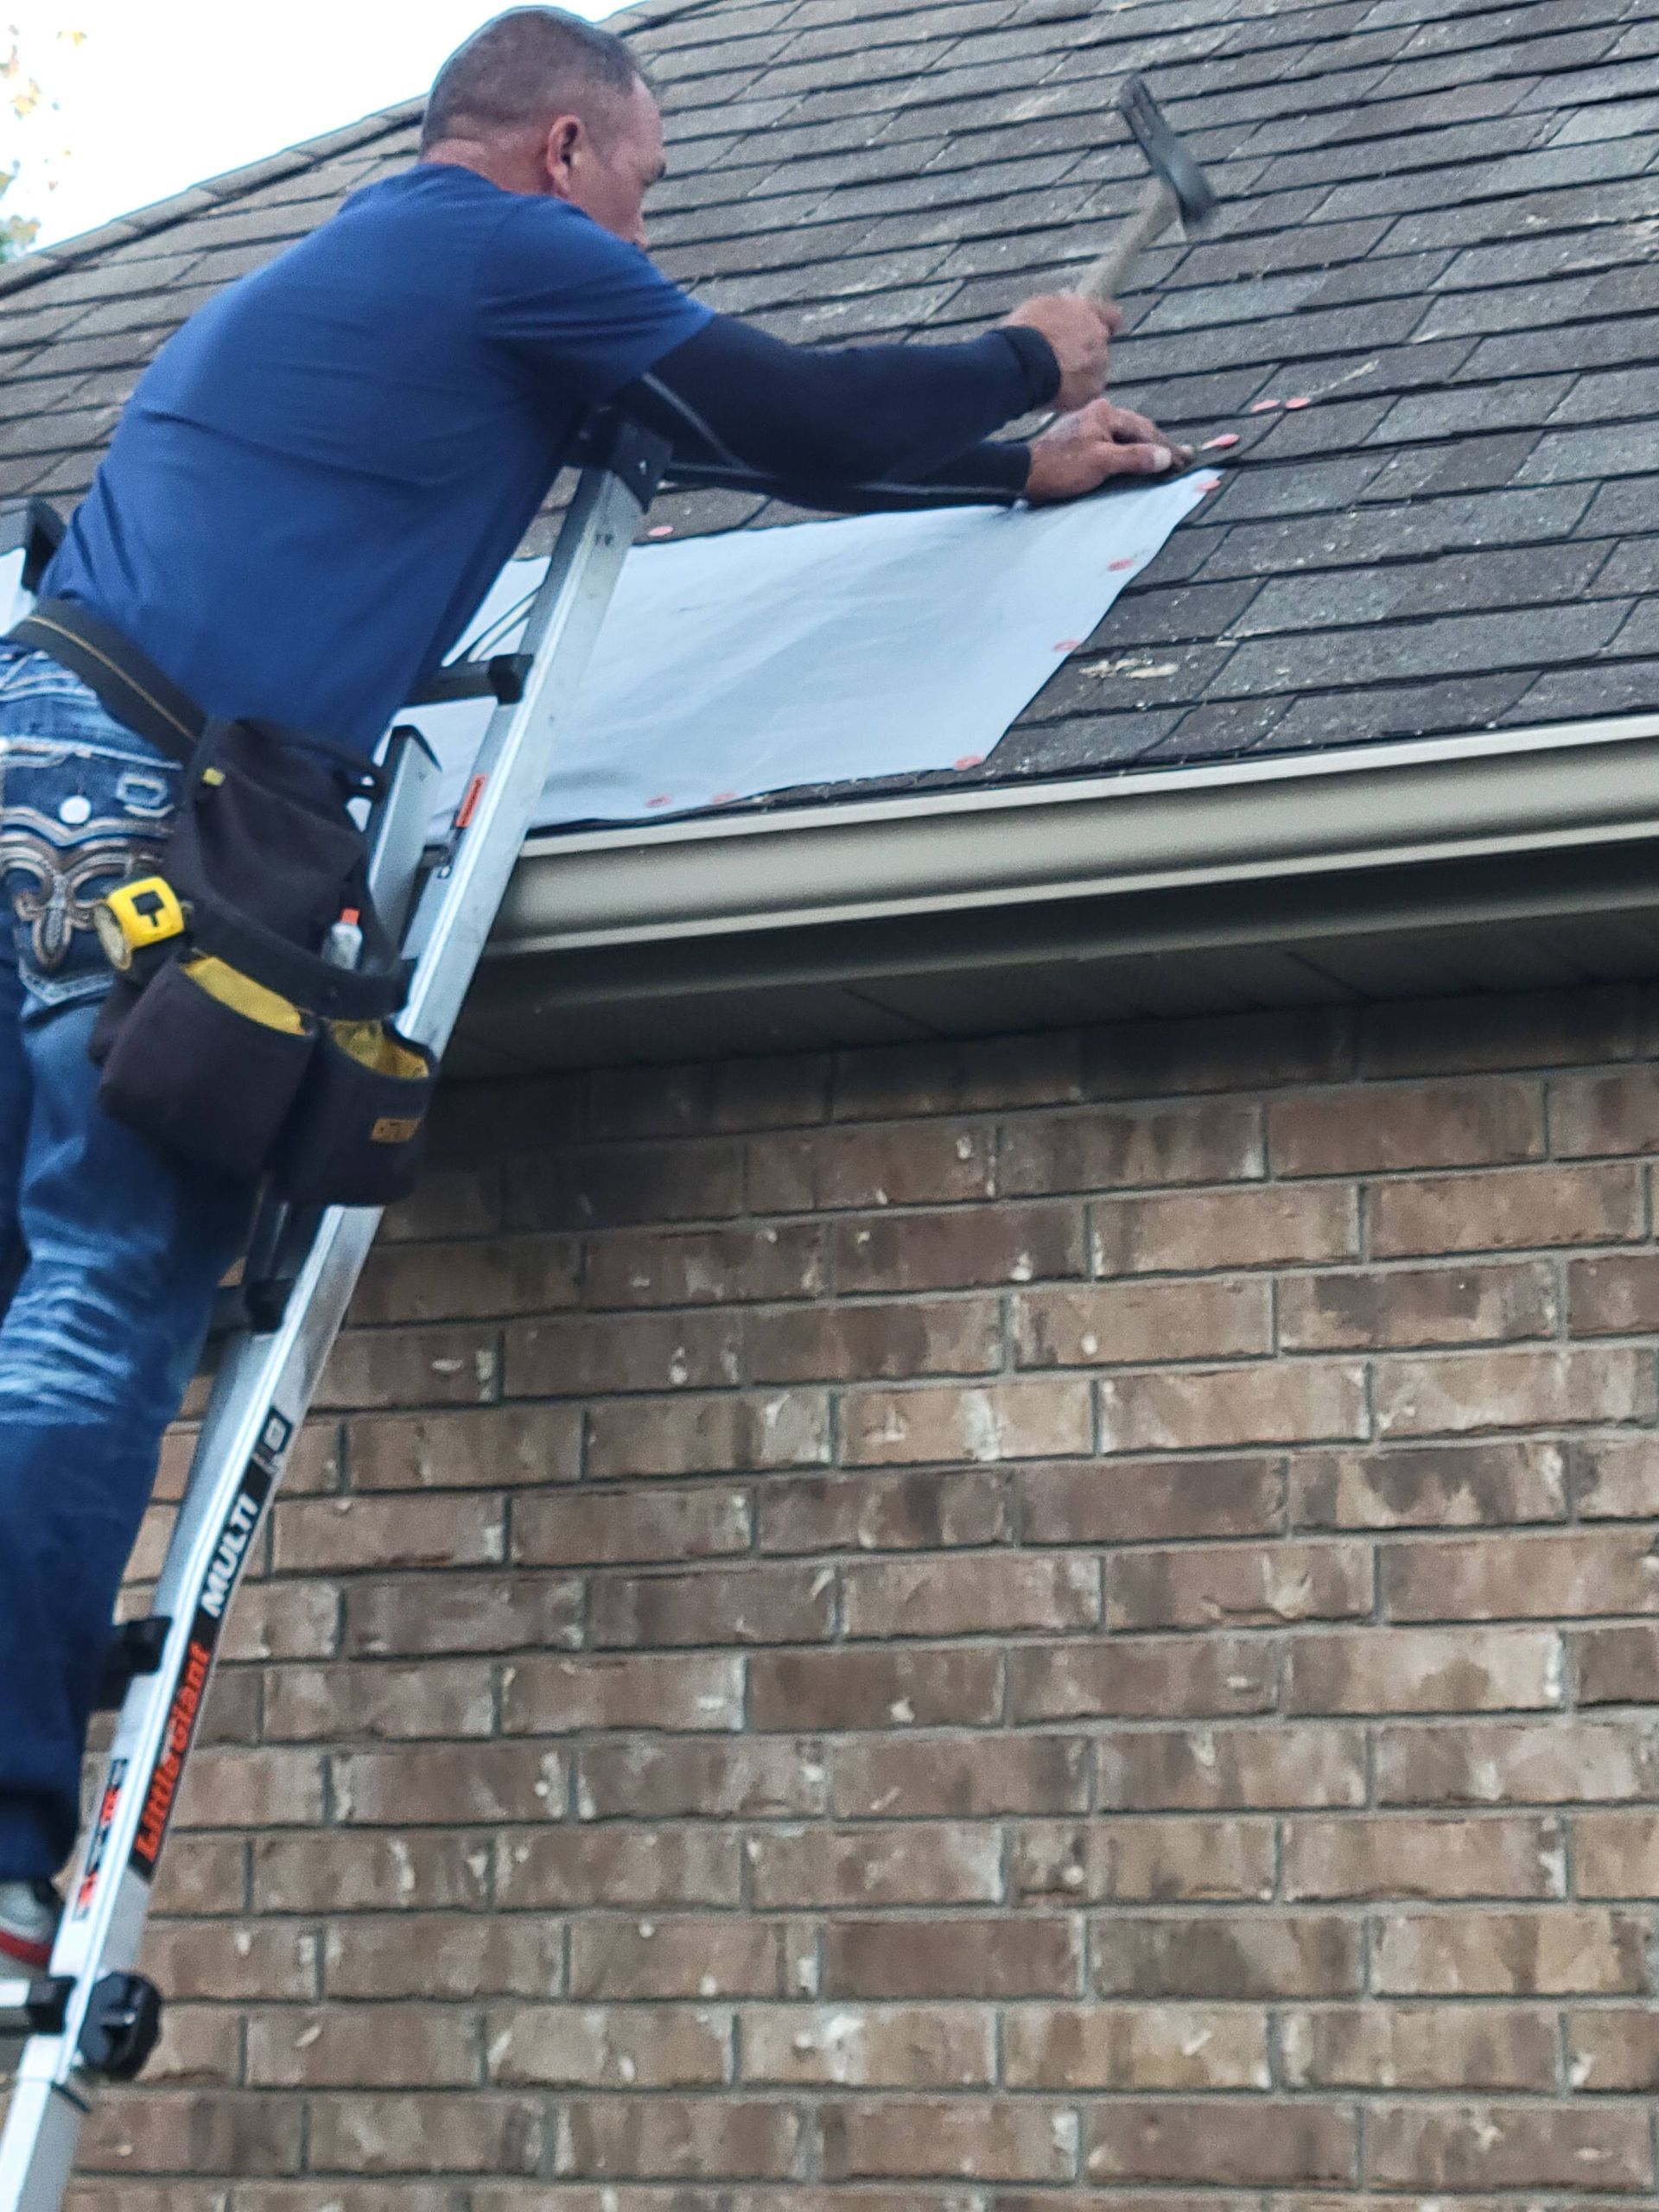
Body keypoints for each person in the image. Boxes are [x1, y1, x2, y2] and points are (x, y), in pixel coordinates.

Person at [0, 4, 1187, 1967]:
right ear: (565, 149)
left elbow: (714, 440)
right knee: (104, 1291)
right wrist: (1026, 349)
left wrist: (1006, 470)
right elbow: (790, 405)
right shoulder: (506, 248)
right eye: (642, 182)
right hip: (132, 812)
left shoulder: (380, 281)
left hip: (41, 747)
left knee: (32, 1288)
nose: (644, 230)